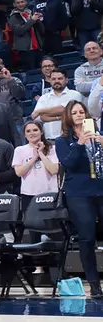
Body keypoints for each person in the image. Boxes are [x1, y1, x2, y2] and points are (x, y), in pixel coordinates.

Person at [55, 100, 103, 299]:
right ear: (68, 116)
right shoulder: (62, 141)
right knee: (87, 237)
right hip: (78, 193)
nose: (79, 114)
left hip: (100, 189)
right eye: (75, 112)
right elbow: (67, 163)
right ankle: (94, 283)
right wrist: (80, 143)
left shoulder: (98, 135)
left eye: (82, 111)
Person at [11, 120, 61, 197]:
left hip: (50, 192)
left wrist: (41, 153)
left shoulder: (53, 148)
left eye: (35, 130)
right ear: (24, 135)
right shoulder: (19, 150)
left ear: (41, 132)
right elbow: (19, 173)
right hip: (28, 193)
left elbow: (54, 170)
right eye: (28, 131)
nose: (32, 133)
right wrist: (34, 158)